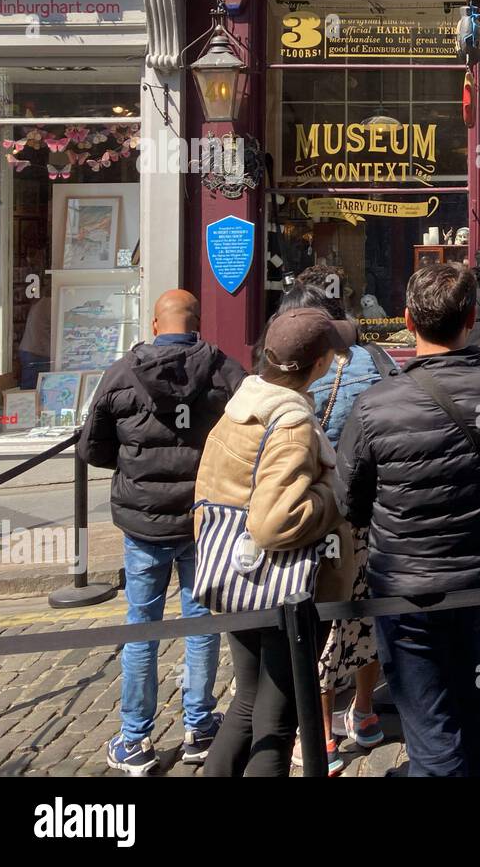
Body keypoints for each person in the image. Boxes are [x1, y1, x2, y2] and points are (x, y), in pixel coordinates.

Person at [336, 263, 480, 777]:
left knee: (430, 718)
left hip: (409, 586)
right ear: (471, 319)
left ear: (407, 320)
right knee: (473, 694)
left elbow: (350, 500)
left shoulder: (375, 404)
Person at [79, 290, 246, 775]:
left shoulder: (121, 373)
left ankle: (135, 739)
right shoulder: (222, 369)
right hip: (202, 517)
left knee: (142, 625)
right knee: (200, 620)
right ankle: (199, 727)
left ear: (154, 324)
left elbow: (94, 448)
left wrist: (135, 470)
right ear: (197, 323)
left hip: (144, 521)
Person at [195, 307, 356, 777]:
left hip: (237, 576)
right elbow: (274, 523)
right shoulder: (290, 424)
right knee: (278, 717)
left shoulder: (242, 404)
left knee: (247, 703)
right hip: (282, 587)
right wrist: (331, 495)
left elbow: (207, 492)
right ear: (321, 364)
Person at [269, 285, 389, 777]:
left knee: (313, 623)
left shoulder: (283, 373)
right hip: (362, 511)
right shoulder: (372, 360)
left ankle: (318, 734)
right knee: (363, 615)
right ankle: (364, 711)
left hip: (310, 514)